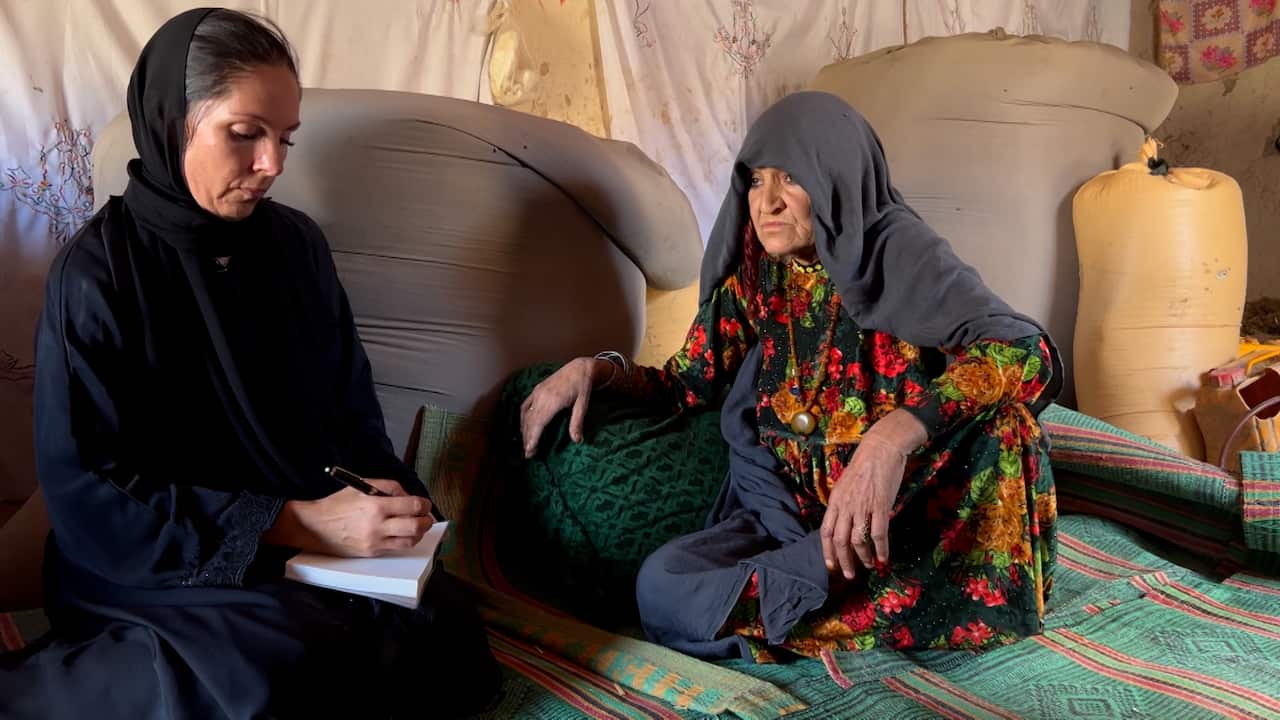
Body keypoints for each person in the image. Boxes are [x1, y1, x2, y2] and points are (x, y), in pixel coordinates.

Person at [0, 9, 498, 718]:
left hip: (304, 545)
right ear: (175, 122)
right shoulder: (97, 274)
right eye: (246, 135)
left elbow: (348, 412)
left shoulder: (295, 248)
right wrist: (293, 523)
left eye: (284, 139)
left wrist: (384, 499)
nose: (274, 165)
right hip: (153, 555)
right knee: (265, 669)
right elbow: (90, 490)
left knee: (441, 635)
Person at [519, 91, 1061, 662]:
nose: (767, 202)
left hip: (903, 517)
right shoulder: (758, 277)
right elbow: (686, 383)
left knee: (1006, 423)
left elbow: (1029, 352)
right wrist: (595, 371)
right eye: (755, 181)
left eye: (791, 178)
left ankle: (852, 604)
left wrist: (891, 437)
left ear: (838, 180)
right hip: (794, 521)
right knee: (662, 584)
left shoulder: (902, 257)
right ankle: (867, 608)